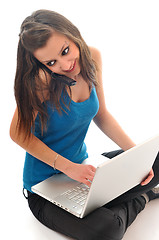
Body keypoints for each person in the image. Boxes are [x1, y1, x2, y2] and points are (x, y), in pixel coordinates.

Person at [10, 9, 159, 240]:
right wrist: (68, 168)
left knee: (155, 158)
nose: (65, 64)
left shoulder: (92, 57)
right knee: (106, 230)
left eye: (65, 50)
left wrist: (136, 155)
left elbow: (101, 114)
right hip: (45, 189)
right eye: (51, 62)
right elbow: (18, 134)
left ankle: (110, 198)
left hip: (86, 172)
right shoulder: (41, 82)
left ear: (72, 34)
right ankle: (143, 197)